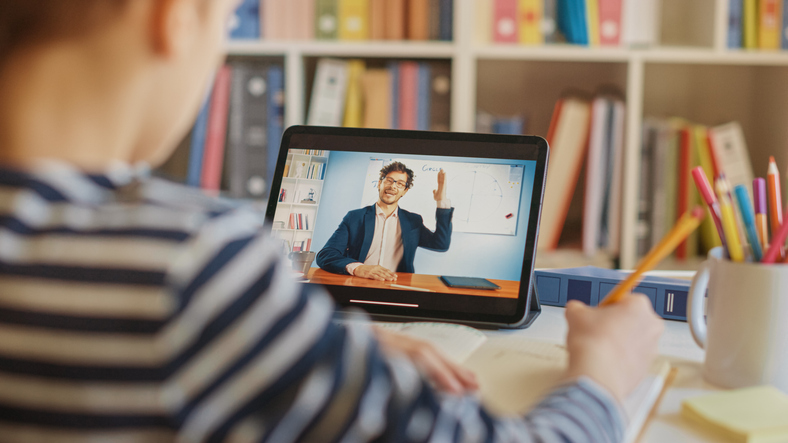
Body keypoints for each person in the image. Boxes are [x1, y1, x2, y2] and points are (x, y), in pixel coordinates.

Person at [0, 1, 663, 442]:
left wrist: (298, 338)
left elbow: (438, 243)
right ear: (174, 15)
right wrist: (602, 370)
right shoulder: (189, 263)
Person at [316, 161, 453, 281]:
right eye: (389, 180)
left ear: (404, 191)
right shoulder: (355, 217)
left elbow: (441, 244)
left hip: (397, 287)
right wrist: (358, 268)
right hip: (359, 283)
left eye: (400, 184)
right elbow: (326, 255)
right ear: (380, 184)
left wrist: (441, 201)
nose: (393, 186)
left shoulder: (413, 221)